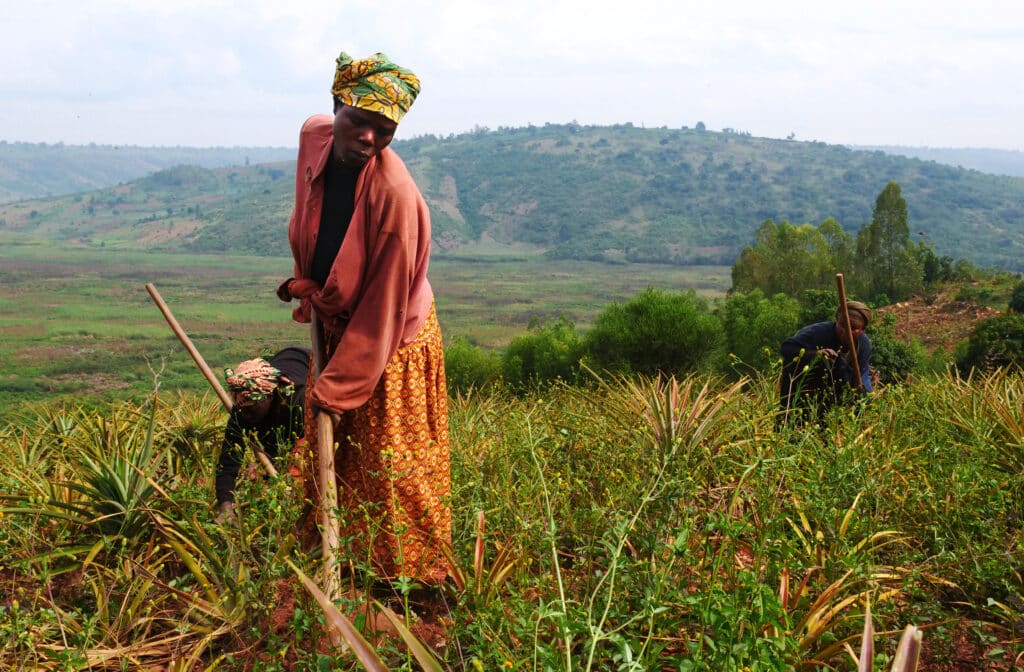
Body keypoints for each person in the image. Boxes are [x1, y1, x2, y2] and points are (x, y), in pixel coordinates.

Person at [276, 51, 451, 585]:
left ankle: (409, 583)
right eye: (358, 121)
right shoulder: (315, 136)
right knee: (340, 453)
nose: (369, 137)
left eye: (385, 128)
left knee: (390, 460)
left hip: (391, 332)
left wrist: (334, 389)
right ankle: (332, 556)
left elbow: (383, 308)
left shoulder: (395, 198)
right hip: (341, 317)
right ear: (335, 108)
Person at [216, 347, 310, 521]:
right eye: (242, 408)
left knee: (295, 465)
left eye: (252, 407)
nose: (246, 414)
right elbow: (227, 464)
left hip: (308, 362)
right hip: (282, 366)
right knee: (271, 448)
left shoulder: (297, 402)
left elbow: (308, 449)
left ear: (269, 396)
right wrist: (225, 505)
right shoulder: (242, 410)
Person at [778, 301, 873, 426]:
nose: (846, 332)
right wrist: (815, 355)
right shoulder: (817, 333)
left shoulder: (863, 346)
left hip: (830, 404)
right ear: (836, 320)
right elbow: (786, 348)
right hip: (798, 396)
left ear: (862, 330)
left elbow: (858, 380)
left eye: (853, 328)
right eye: (842, 325)